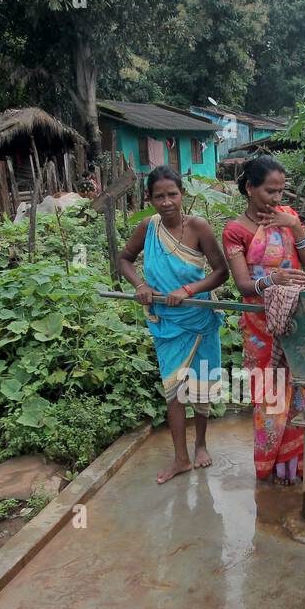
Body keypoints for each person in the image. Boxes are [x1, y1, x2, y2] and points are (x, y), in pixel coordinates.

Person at [118, 166, 230, 484]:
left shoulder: (198, 227)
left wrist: (189, 290)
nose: (166, 202)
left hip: (199, 318)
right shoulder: (147, 228)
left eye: (172, 194)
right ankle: (180, 458)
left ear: (182, 194)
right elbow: (124, 258)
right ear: (149, 198)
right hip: (166, 322)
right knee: (174, 391)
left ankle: (201, 445)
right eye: (159, 196)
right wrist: (140, 285)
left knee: (201, 387)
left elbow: (221, 272)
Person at [221, 155, 305, 485]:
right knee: (270, 400)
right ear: (250, 188)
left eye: (281, 191)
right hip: (262, 328)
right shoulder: (236, 232)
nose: (277, 199)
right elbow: (243, 285)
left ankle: (295, 469)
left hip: (295, 321)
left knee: (298, 397)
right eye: (269, 191)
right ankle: (269, 470)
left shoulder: (288, 217)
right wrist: (273, 281)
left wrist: (294, 226)